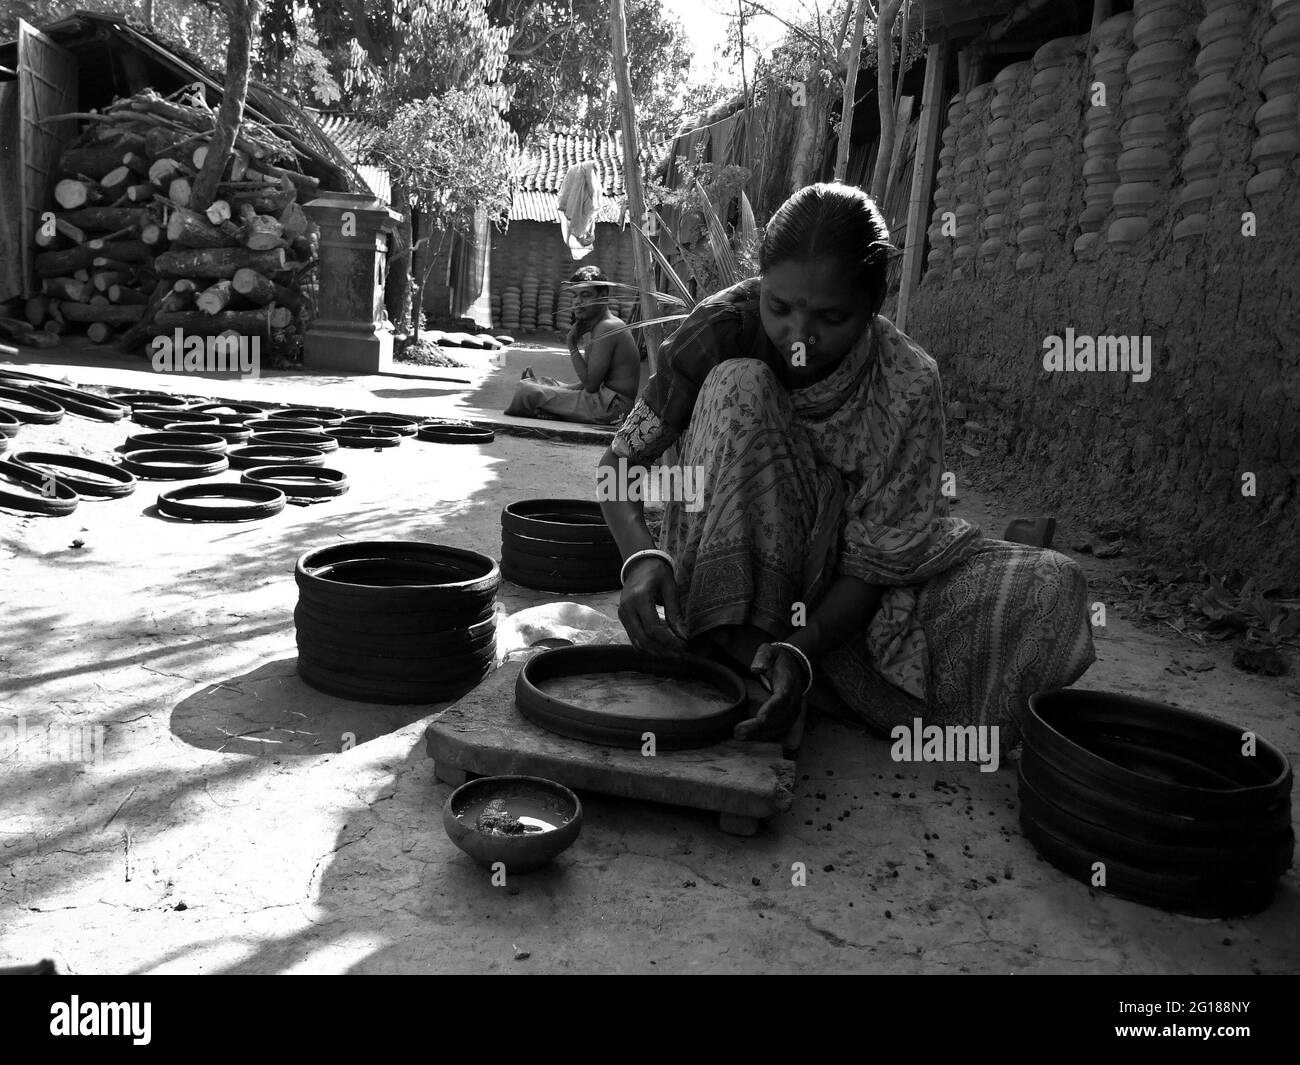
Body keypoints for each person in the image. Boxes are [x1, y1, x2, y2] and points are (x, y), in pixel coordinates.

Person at [595, 183, 1095, 746]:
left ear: (874, 303)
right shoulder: (722, 330)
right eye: (778, 307)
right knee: (743, 385)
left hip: (851, 604)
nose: (799, 336)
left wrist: (801, 651)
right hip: (730, 575)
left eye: (831, 316)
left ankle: (791, 671)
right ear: (760, 285)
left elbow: (878, 560)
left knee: (1051, 588)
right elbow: (619, 464)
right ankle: (734, 653)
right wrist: (639, 557)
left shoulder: (907, 382)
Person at [503, 266, 641, 425]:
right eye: (574, 295)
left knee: (526, 392)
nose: (577, 302)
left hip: (612, 409)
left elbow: (590, 386)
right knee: (545, 383)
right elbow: (586, 383)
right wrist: (552, 389)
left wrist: (572, 342)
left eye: (585, 295)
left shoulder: (607, 327)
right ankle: (549, 408)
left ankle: (547, 408)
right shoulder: (597, 326)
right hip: (603, 401)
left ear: (604, 296)